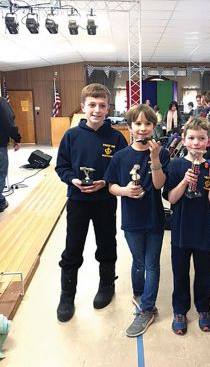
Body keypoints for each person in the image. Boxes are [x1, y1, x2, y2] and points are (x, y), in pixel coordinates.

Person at [55, 83, 128, 323]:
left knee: (106, 244)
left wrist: (105, 181)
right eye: (92, 105)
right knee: (73, 246)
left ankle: (107, 285)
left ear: (108, 108)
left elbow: (122, 169)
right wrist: (72, 179)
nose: (97, 110)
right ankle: (67, 295)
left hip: (105, 201)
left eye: (102, 105)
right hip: (77, 200)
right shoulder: (71, 135)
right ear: (83, 107)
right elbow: (61, 166)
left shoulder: (117, 137)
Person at [104, 104, 170, 337]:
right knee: (138, 261)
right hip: (131, 219)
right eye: (138, 124)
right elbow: (110, 185)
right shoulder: (120, 156)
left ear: (154, 126)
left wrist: (154, 158)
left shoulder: (161, 153)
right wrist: (124, 191)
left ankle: (148, 309)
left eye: (148, 124)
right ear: (130, 126)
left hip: (153, 218)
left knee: (151, 264)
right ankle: (140, 294)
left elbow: (160, 185)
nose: (142, 129)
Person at [163, 117, 210, 335]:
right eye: (191, 138)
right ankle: (180, 310)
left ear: (209, 141)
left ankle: (204, 308)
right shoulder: (176, 165)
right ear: (184, 140)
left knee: (205, 272)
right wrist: (184, 181)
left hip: (203, 229)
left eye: (201, 138)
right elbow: (172, 198)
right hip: (180, 228)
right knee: (180, 272)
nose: (196, 143)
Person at [0, 96, 21, 212]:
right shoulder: (1, 102)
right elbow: (9, 121)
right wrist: (16, 138)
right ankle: (0, 202)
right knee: (0, 174)